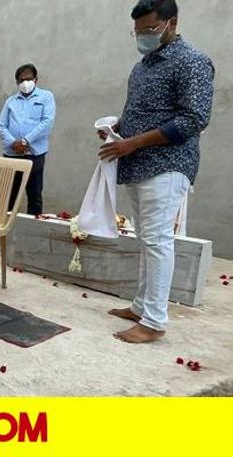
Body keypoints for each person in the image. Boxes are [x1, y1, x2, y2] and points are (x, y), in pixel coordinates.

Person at [101, 0, 214, 344]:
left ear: (171, 23)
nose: (142, 36)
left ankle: (153, 321)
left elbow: (193, 119)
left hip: (167, 164)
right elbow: (143, 112)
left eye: (149, 30)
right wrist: (117, 128)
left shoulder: (191, 61)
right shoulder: (143, 66)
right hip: (137, 163)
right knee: (146, 240)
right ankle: (140, 306)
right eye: (137, 31)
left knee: (158, 241)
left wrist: (132, 143)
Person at [0, 63, 56, 216]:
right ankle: (4, 229)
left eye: (29, 79)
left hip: (34, 155)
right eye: (22, 80)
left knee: (34, 195)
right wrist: (13, 143)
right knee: (8, 195)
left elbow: (46, 123)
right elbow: (2, 125)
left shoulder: (46, 97)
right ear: (17, 82)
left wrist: (24, 141)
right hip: (11, 154)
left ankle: (33, 230)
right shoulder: (11, 101)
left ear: (36, 80)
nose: (25, 83)